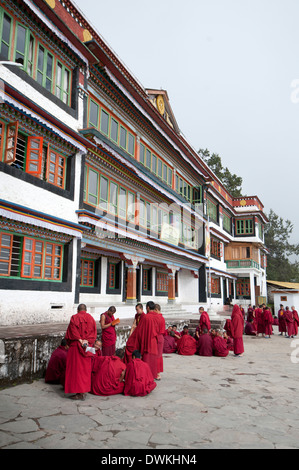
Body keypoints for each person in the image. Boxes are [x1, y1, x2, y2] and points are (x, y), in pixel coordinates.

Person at [64, 304, 97, 400]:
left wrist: (79, 340)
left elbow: (72, 332)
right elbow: (93, 334)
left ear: (78, 310)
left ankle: (79, 393)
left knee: (75, 370)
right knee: (84, 371)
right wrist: (86, 341)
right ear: (86, 310)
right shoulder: (91, 319)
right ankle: (83, 391)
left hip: (76, 347)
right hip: (87, 347)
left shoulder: (74, 318)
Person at [135, 301, 159, 380]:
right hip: (154, 341)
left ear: (148, 307)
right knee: (153, 359)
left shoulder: (146, 317)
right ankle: (153, 375)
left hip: (147, 341)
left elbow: (140, 331)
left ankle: (147, 376)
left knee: (147, 359)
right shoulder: (158, 316)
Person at [154, 303, 166, 381]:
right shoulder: (162, 318)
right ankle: (157, 373)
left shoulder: (156, 318)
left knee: (156, 355)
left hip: (156, 337)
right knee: (159, 355)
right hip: (161, 337)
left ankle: (157, 373)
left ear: (156, 310)